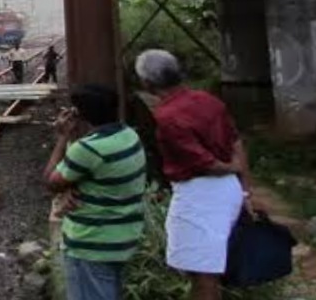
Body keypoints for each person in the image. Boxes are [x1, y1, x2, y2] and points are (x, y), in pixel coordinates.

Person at [135, 49, 255, 300]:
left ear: (147, 82)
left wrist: (232, 168)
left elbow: (204, 163)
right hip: (226, 190)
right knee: (203, 268)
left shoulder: (167, 117)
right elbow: (236, 142)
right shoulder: (208, 100)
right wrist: (244, 188)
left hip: (201, 194)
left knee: (202, 272)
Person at [44, 85, 146, 300]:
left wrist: (62, 137)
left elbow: (51, 181)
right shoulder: (129, 136)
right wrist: (71, 186)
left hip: (91, 245)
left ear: (80, 115)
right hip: (121, 239)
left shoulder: (88, 149)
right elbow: (95, 174)